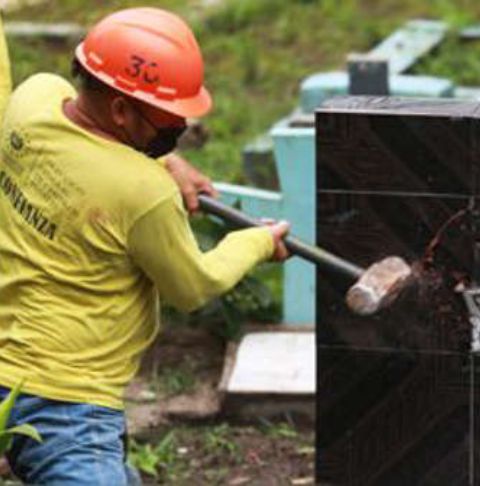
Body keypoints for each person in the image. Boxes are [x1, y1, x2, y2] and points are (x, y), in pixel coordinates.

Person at [0, 7, 290, 484]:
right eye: (169, 119)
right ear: (120, 110)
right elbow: (193, 285)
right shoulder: (142, 193)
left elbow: (87, 146)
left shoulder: (34, 98)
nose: (178, 127)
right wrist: (257, 241)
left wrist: (166, 160)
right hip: (68, 402)